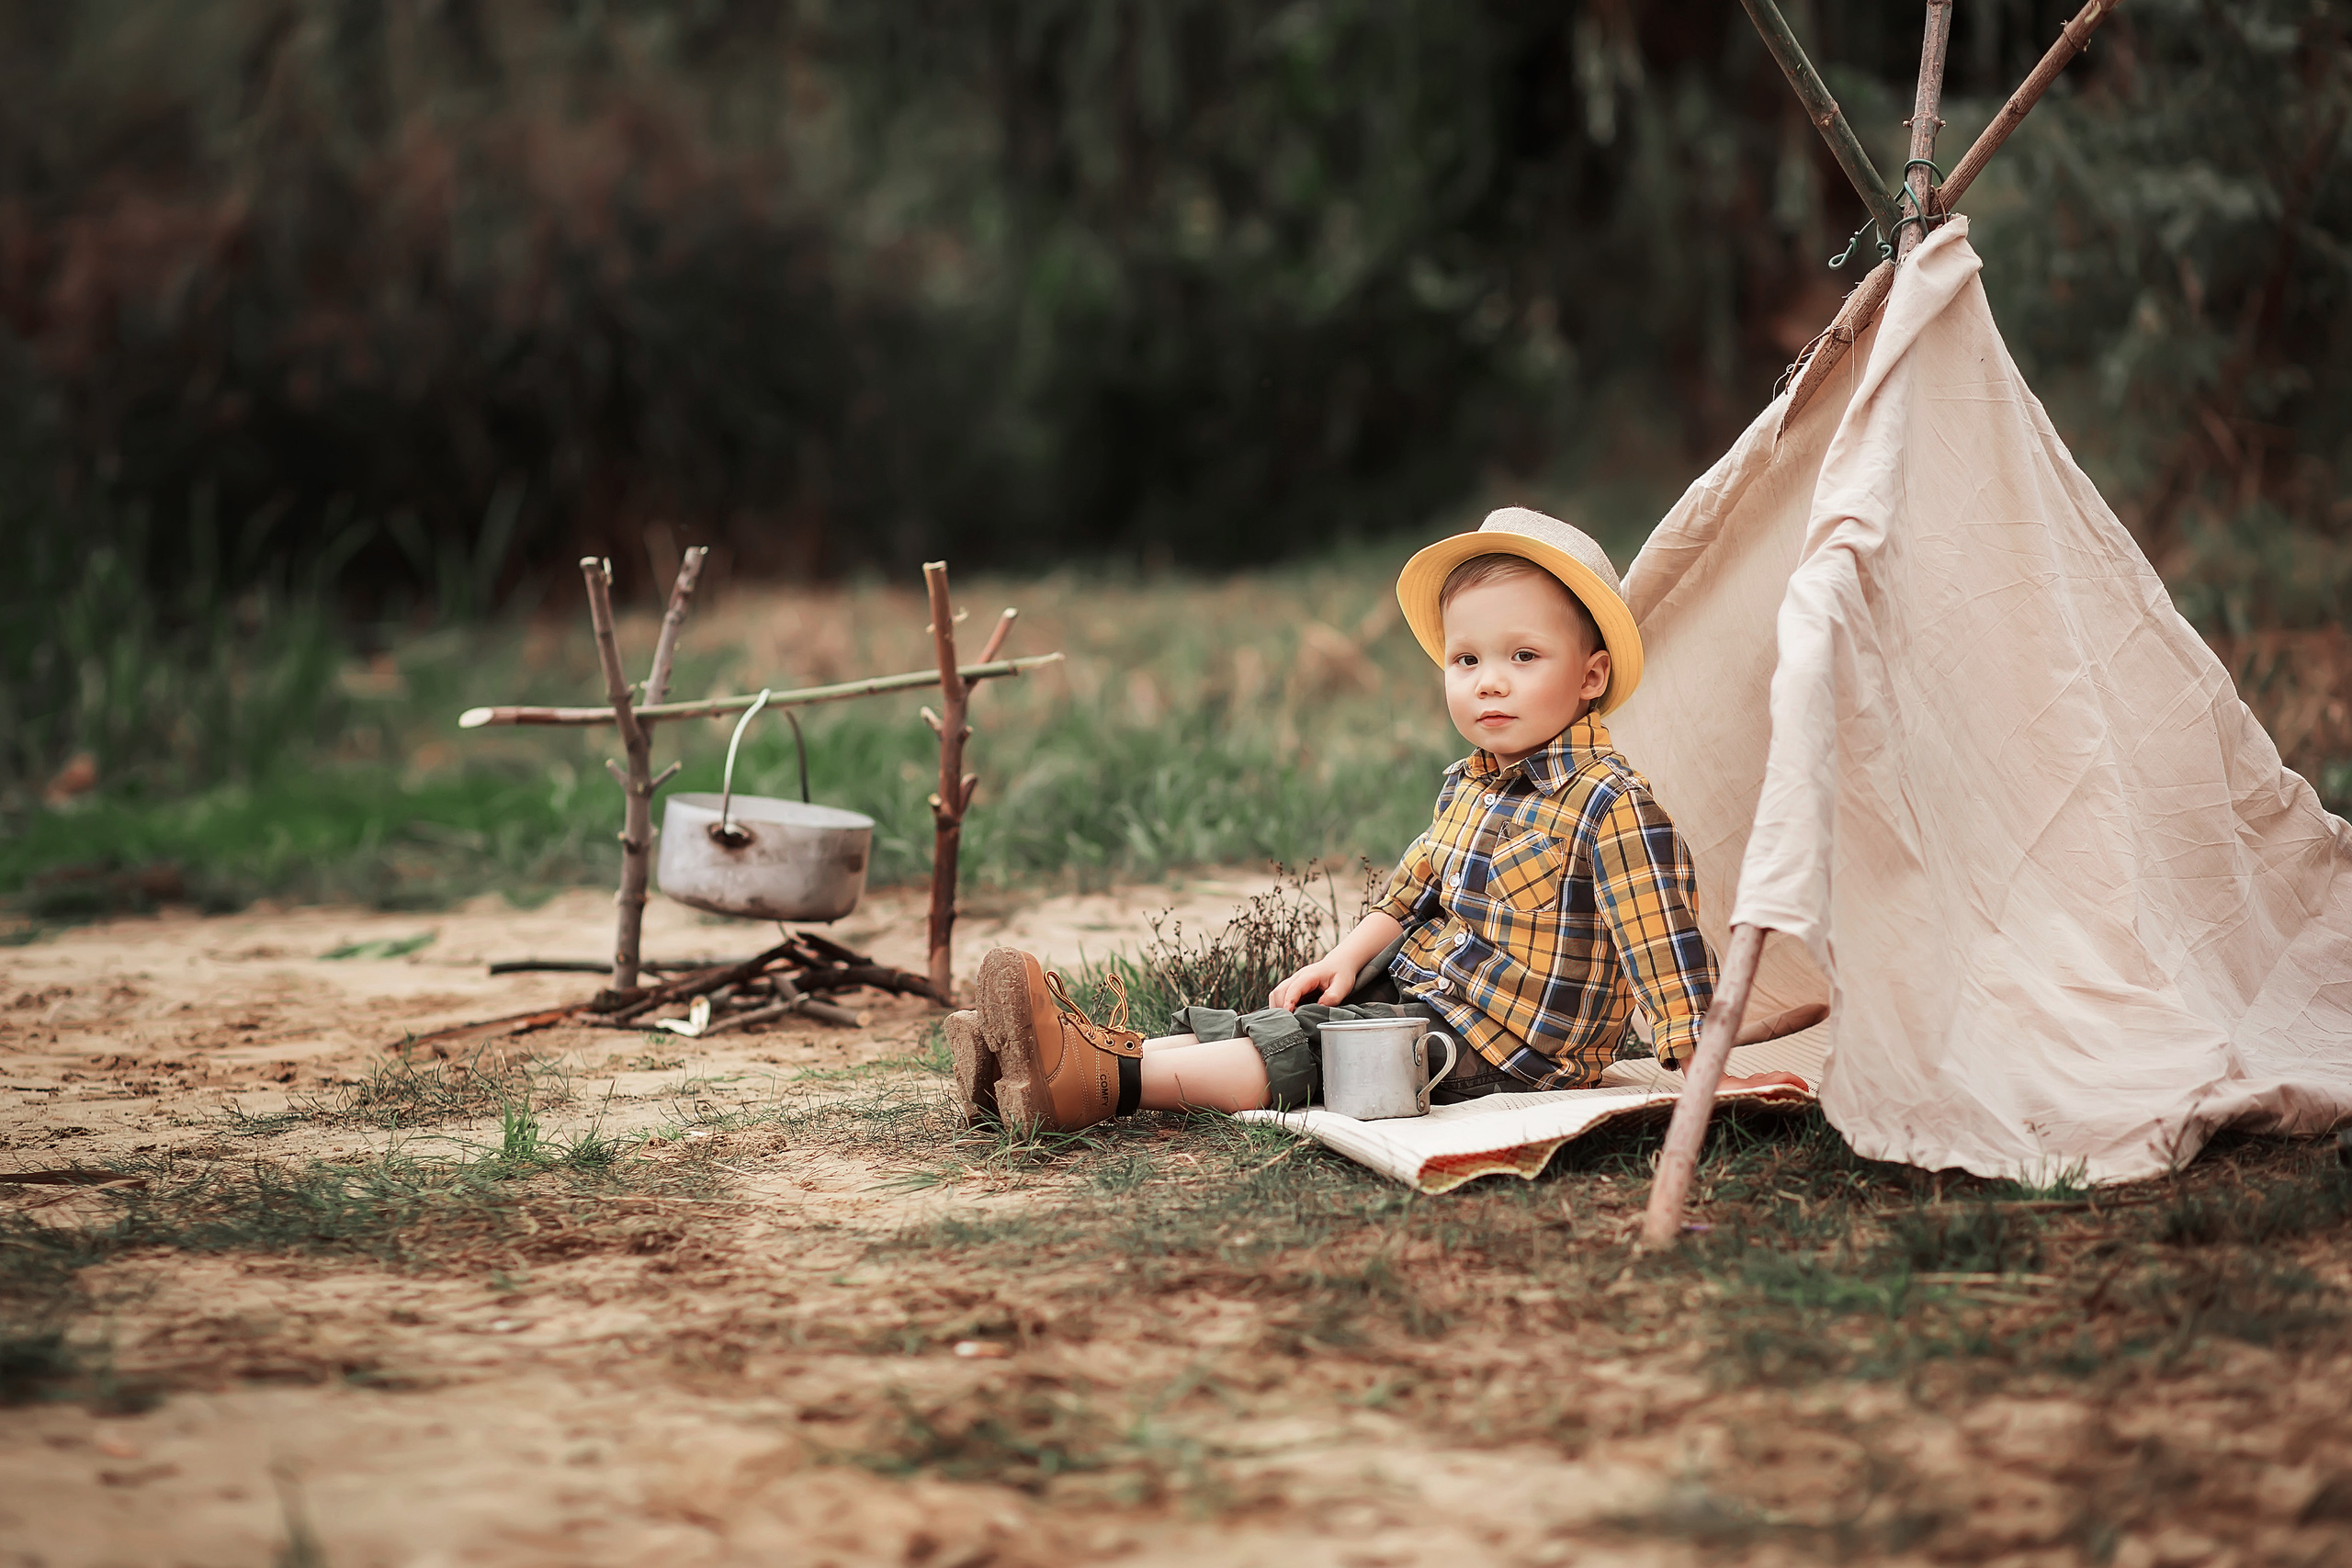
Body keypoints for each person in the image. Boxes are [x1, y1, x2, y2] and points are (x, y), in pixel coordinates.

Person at [945, 507, 1821, 1133]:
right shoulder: (1469, 786)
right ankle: (1050, 1061)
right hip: (1433, 996)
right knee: (1285, 1021)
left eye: (1524, 657)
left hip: (1507, 1045)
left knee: (1317, 1054)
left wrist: (1715, 1072)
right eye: (1467, 658)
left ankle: (1104, 1080)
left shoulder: (1609, 805)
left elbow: (1664, 952)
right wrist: (1344, 955)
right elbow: (1410, 892)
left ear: (1589, 677)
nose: (1488, 681)